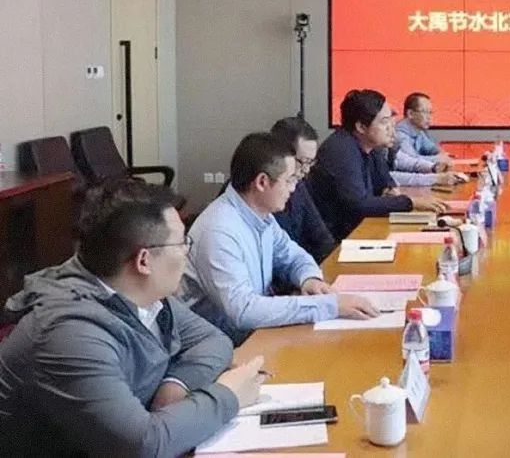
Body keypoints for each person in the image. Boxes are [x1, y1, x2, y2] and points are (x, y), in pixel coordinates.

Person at [0, 180, 266, 456]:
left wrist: (176, 384)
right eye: (182, 242)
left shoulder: (139, 292)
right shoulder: (68, 333)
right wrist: (229, 395)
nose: (187, 252)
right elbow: (142, 445)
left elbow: (213, 340)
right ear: (144, 261)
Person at [180, 133, 379, 344]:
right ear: (262, 182)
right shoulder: (219, 231)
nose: (294, 188)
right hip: (221, 343)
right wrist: (329, 306)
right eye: (289, 180)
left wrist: (309, 278)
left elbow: (293, 255)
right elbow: (243, 311)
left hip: (254, 333)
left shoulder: (261, 215)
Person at [309, 89, 446, 239]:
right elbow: (360, 205)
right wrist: (410, 202)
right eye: (384, 121)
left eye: (391, 120)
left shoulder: (371, 147)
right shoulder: (341, 150)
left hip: (359, 230)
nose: (391, 128)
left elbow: (387, 184)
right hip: (336, 240)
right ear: (361, 127)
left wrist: (390, 193)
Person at [269, 116, 336, 263]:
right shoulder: (264, 191)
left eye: (310, 162)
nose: (306, 170)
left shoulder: (298, 184)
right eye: (303, 162)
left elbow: (322, 238)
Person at [395, 92, 451, 172]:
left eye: (430, 112)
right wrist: (438, 158)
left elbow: (432, 148)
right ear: (410, 114)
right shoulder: (400, 135)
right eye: (425, 112)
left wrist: (442, 154)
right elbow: (412, 160)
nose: (429, 117)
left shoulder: (419, 131)